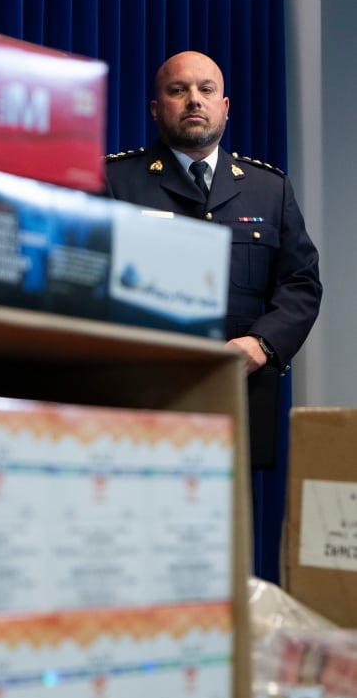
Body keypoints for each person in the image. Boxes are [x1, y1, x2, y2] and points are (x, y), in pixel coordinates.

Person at [103, 51, 322, 471]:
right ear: (155, 108)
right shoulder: (114, 182)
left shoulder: (268, 188)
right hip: (143, 399)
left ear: (224, 107)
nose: (193, 100)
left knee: (233, 533)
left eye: (206, 90)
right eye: (177, 90)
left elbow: (301, 283)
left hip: (238, 396)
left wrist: (262, 345)